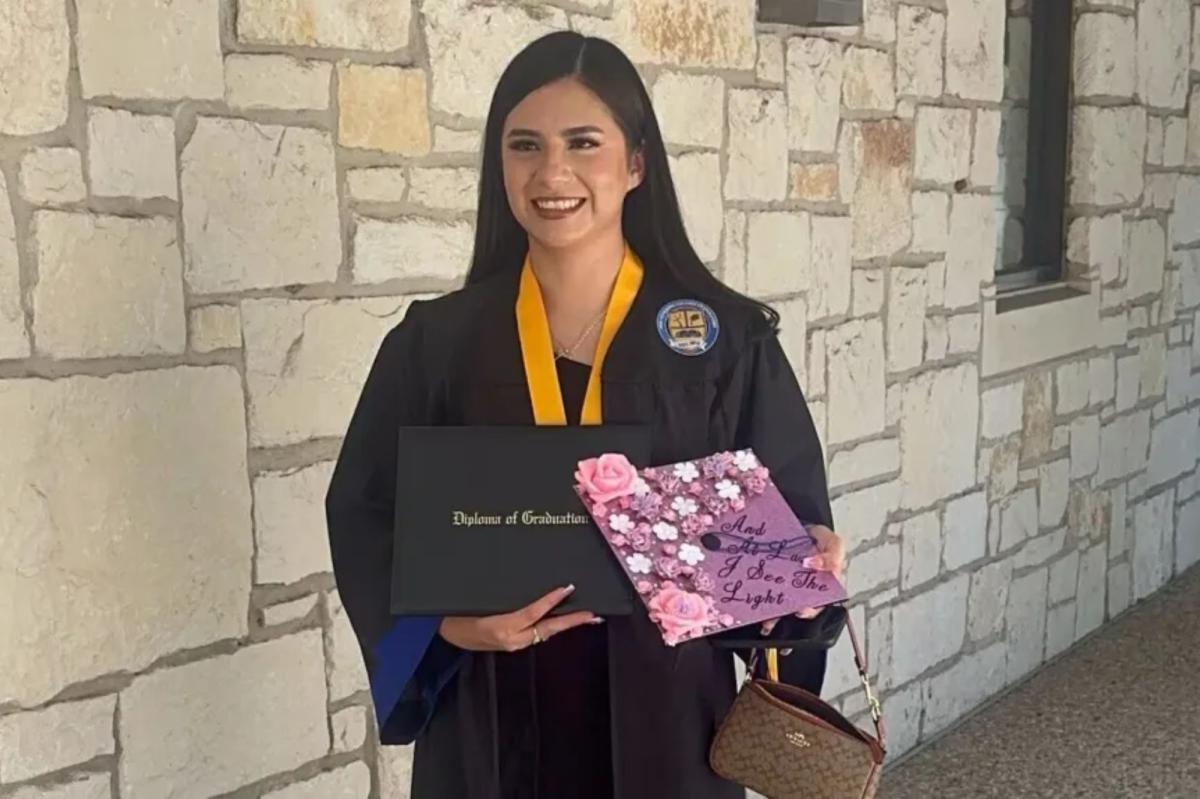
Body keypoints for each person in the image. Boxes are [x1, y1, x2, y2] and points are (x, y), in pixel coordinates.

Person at [325, 30, 847, 799]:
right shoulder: (436, 344)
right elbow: (365, 511)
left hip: (670, 726)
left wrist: (797, 577)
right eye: (525, 146)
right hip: (490, 722)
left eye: (582, 143)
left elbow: (789, 532)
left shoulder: (721, 344)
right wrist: (445, 625)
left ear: (636, 163)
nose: (552, 172)